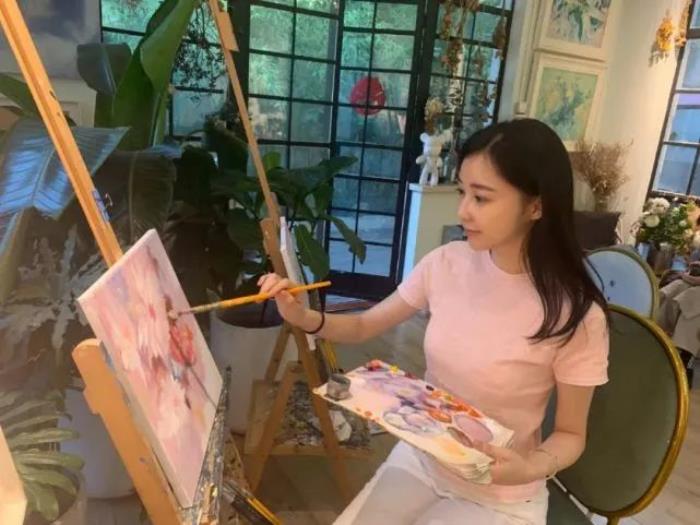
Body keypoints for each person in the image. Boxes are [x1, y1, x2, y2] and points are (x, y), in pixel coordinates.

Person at [258, 119, 609, 525]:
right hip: (423, 460)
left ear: (536, 206)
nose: (463, 211)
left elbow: (570, 435)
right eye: (462, 192)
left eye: (481, 198)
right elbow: (363, 326)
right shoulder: (446, 263)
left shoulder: (576, 315)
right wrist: (303, 316)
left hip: (500, 494)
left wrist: (531, 466)